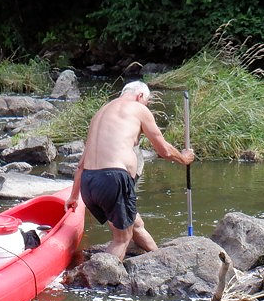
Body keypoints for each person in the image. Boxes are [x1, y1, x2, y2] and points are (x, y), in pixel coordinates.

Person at [67, 80, 195, 260]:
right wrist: (184, 158)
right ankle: (105, 281)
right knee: (122, 238)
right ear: (140, 95)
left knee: (135, 224)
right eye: (147, 101)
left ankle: (159, 259)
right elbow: (163, 150)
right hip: (113, 179)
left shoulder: (101, 112)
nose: (147, 105)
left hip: (89, 181)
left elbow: (81, 164)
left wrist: (73, 197)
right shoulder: (138, 108)